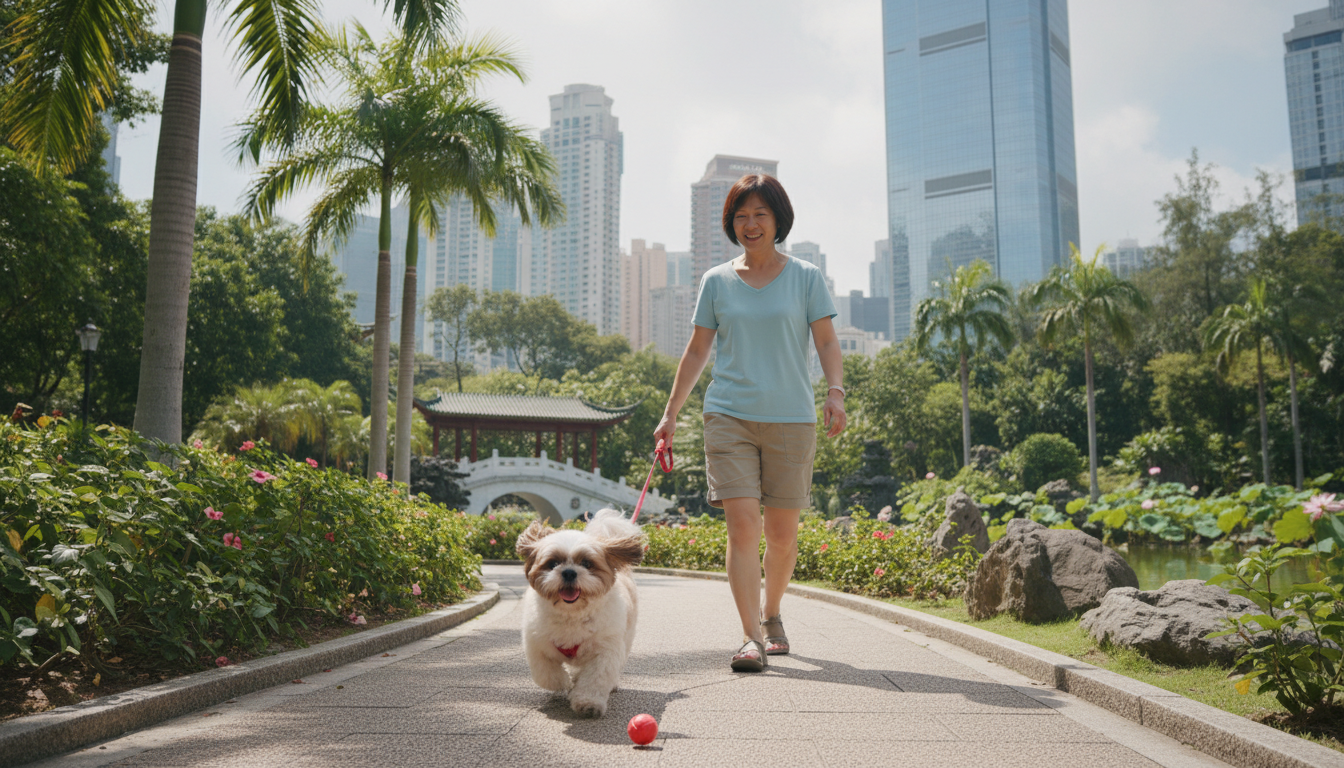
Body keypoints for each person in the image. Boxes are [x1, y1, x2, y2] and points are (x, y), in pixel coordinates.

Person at [653, 174, 846, 672]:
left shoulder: (805, 276)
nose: (751, 224)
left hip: (791, 418)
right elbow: (698, 350)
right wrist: (670, 414)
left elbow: (826, 342)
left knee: (781, 534)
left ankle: (772, 612)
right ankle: (749, 638)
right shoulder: (715, 281)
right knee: (743, 527)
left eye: (760, 214)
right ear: (730, 223)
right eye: (741, 215)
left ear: (778, 219)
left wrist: (836, 393)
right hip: (728, 415)